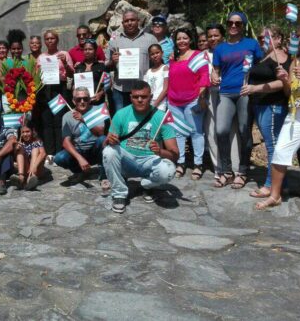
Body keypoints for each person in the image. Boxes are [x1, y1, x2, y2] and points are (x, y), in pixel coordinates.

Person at [256, 22, 300, 210]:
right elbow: (288, 92)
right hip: (296, 113)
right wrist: (285, 81)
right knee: (281, 151)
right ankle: (275, 195)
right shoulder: (296, 59)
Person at [103, 80, 179, 213]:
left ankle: (147, 184)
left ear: (150, 97)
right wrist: (110, 140)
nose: (139, 100)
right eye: (135, 97)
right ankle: (119, 194)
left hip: (149, 161)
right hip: (127, 160)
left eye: (144, 97)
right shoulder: (121, 114)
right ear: (130, 97)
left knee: (168, 171)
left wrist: (160, 151)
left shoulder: (161, 117)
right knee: (109, 151)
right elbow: (106, 145)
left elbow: (175, 154)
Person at [212, 11, 263, 188]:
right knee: (221, 130)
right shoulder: (220, 48)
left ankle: (242, 171)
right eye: (230, 23)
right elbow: (216, 70)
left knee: (244, 131)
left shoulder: (252, 44)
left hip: (245, 92)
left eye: (238, 23)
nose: (233, 26)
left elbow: (262, 66)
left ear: (244, 26)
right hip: (225, 92)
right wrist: (213, 76)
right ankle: (227, 171)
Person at [241, 25, 290, 198]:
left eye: (266, 37)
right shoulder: (265, 56)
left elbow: (282, 82)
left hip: (272, 106)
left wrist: (255, 88)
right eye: (260, 38)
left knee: (273, 146)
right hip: (261, 106)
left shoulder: (281, 57)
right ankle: (281, 183)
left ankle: (271, 185)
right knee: (273, 145)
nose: (262, 40)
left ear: (277, 38)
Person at [168, 28, 210, 180]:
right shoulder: (173, 58)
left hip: (192, 99)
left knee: (196, 132)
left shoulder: (198, 55)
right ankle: (180, 162)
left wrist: (202, 96)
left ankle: (198, 164)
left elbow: (204, 76)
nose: (182, 41)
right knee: (178, 133)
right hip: (174, 101)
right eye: (179, 39)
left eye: (185, 38)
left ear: (190, 40)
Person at [54, 87, 110, 193]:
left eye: (85, 98)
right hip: (79, 150)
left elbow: (100, 133)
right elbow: (66, 142)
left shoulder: (96, 110)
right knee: (59, 158)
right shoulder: (67, 116)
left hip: (95, 149)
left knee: (102, 140)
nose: (82, 102)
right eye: (78, 99)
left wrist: (84, 119)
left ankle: (104, 176)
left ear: (90, 99)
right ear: (73, 101)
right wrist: (80, 158)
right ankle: (80, 171)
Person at [204, 23, 240, 185]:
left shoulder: (230, 51)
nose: (213, 39)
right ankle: (219, 168)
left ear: (222, 36)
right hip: (209, 95)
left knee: (231, 131)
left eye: (216, 35)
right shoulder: (202, 55)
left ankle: (235, 168)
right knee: (211, 130)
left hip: (229, 94)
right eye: (210, 36)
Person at [107, 11, 158, 111]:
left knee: (143, 119)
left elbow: (157, 62)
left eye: (132, 20)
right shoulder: (114, 41)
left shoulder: (150, 39)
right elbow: (107, 65)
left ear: (138, 21)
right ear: (122, 23)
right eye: (126, 21)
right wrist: (112, 61)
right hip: (121, 90)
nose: (129, 23)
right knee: (122, 120)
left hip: (143, 90)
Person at [36, 30, 74, 163]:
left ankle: (59, 151)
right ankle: (49, 152)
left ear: (57, 40)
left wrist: (64, 63)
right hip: (45, 90)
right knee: (47, 121)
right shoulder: (41, 57)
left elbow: (71, 74)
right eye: (47, 39)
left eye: (52, 38)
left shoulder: (64, 54)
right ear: (44, 41)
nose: (50, 41)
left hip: (60, 89)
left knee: (58, 121)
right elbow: (36, 76)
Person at [12, 121, 47, 190]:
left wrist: (34, 167)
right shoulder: (19, 143)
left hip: (36, 170)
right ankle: (21, 178)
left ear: (32, 131)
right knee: (20, 151)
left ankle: (30, 178)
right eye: (23, 132)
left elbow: (43, 153)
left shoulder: (37, 141)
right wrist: (16, 150)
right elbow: (14, 159)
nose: (25, 134)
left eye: (27, 131)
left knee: (35, 149)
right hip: (24, 170)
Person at [74, 39, 107, 105]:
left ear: (95, 51)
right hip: (82, 102)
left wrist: (100, 94)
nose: (87, 51)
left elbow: (107, 84)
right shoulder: (78, 66)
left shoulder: (101, 66)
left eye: (90, 49)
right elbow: (74, 85)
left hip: (97, 101)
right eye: (85, 49)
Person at [143, 44, 168, 112]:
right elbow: (145, 88)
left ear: (162, 53)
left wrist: (155, 104)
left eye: (157, 52)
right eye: (152, 54)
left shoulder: (165, 68)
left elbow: (166, 89)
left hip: (161, 103)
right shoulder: (148, 72)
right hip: (148, 102)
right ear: (149, 57)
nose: (155, 56)